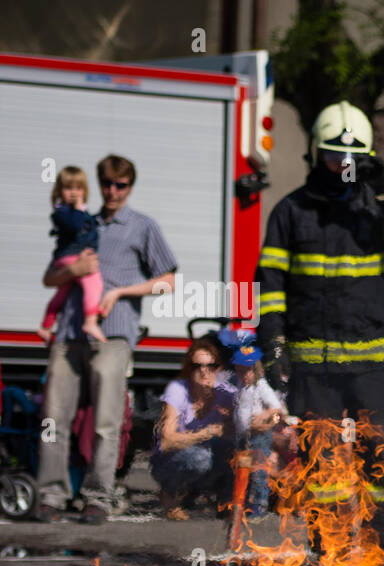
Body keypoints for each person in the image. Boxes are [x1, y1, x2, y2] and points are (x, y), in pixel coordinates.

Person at [254, 101, 384, 566]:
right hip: (313, 366)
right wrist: (273, 345)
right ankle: (326, 551)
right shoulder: (291, 212)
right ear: (315, 154)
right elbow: (270, 284)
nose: (341, 167)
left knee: (382, 462)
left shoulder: (375, 207)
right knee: (323, 467)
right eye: (333, 157)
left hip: (370, 364)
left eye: (351, 160)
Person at [35, 155, 178, 525]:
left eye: (121, 185)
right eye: (108, 184)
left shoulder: (142, 227)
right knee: (53, 417)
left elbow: (169, 281)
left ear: (130, 187)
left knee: (106, 420)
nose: (113, 191)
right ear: (99, 185)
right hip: (69, 333)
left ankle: (98, 496)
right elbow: (49, 279)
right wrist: (74, 270)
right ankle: (51, 494)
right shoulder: (81, 222)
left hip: (113, 335)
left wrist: (122, 292)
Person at [149, 341, 234, 520]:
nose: (204, 371)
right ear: (189, 369)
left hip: (207, 454)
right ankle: (170, 494)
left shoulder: (227, 393)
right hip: (171, 459)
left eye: (211, 366)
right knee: (199, 458)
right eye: (197, 366)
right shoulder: (178, 390)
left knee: (237, 450)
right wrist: (206, 433)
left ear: (218, 369)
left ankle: (224, 500)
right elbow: (166, 441)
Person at [40, 166, 104, 345]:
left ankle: (46, 326)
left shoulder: (79, 212)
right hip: (71, 257)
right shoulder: (63, 212)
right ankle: (90, 321)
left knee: (62, 293)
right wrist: (77, 208)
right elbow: (75, 226)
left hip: (66, 258)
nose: (74, 193)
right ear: (59, 191)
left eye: (78, 188)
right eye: (68, 188)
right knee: (94, 283)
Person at [229, 343, 285, 518]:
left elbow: (277, 408)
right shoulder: (237, 385)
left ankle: (259, 506)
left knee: (258, 471)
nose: (244, 374)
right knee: (240, 470)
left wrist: (265, 415)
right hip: (242, 436)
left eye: (248, 370)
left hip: (259, 436)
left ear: (257, 369)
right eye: (240, 370)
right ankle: (240, 502)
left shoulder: (261, 386)